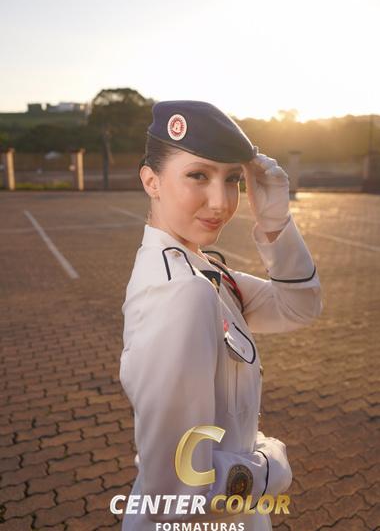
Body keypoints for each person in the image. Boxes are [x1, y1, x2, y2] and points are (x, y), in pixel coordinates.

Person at [119, 100, 323, 531]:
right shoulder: (184, 292)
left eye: (232, 179)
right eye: (198, 175)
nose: (221, 202)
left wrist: (274, 219)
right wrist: (272, 467)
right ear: (151, 181)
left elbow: (298, 307)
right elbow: (175, 494)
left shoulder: (203, 271)